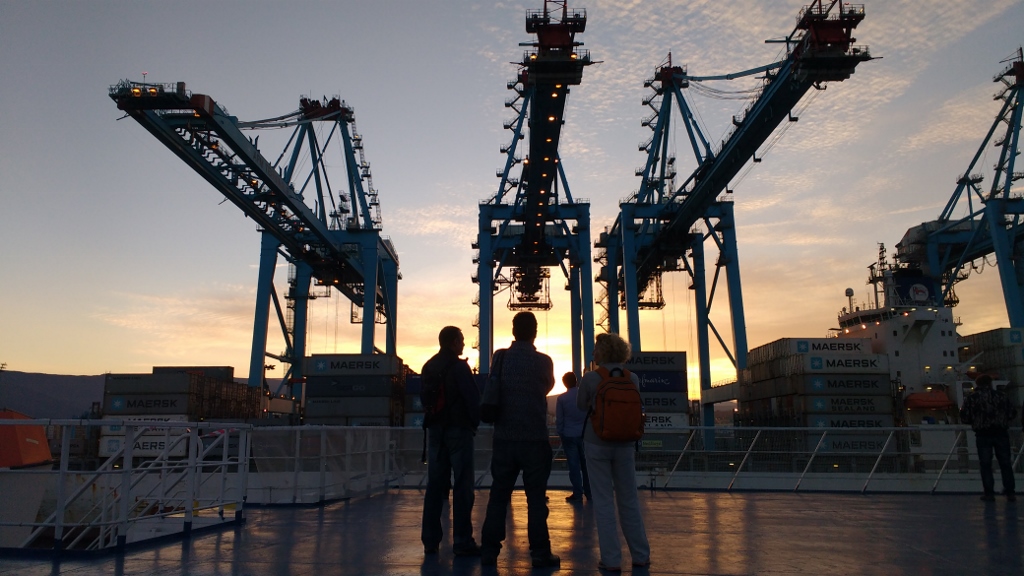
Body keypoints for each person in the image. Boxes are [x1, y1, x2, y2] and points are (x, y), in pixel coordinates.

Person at [480, 312, 560, 568]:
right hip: (535, 439)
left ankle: (489, 552)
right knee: (536, 499)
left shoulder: (500, 357)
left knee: (498, 496)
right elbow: (546, 387)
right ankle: (540, 553)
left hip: (504, 438)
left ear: (513, 331)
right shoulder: (544, 362)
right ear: (534, 332)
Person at [577, 332, 650, 571]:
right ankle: (640, 554)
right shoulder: (633, 378)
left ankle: (611, 559)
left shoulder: (591, 378)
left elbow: (581, 405)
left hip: (597, 442)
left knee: (604, 501)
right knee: (629, 499)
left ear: (604, 352)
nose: (592, 353)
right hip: (626, 444)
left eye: (596, 349)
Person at [420, 326, 482, 556]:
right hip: (458, 432)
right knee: (463, 486)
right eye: (462, 340)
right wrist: (473, 424)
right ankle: (463, 541)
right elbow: (472, 398)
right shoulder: (459, 367)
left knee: (435, 486)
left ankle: (430, 541)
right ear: (454, 342)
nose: (464, 344)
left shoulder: (429, 365)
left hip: (435, 432)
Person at [959, 374, 1017, 502]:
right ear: (990, 383)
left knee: (985, 464)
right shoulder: (1001, 396)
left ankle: (989, 493)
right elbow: (1012, 412)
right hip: (1001, 433)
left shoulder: (972, 398)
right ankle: (1010, 493)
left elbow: (964, 416)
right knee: (1005, 464)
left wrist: (977, 422)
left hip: (983, 434)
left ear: (977, 384)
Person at [556, 371, 590, 502]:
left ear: (565, 383)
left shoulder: (562, 399)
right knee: (586, 465)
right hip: (584, 435)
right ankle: (589, 492)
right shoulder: (584, 395)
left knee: (574, 466)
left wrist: (561, 433)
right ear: (576, 381)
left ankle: (577, 493)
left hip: (569, 435)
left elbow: (560, 420)